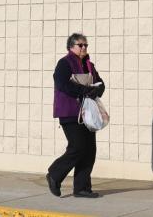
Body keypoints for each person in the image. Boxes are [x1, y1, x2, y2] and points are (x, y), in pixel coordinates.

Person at [46, 33, 105, 199]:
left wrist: (97, 89)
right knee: (78, 147)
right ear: (71, 47)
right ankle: (54, 174)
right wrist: (85, 90)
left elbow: (100, 83)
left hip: (87, 113)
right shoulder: (64, 63)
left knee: (89, 150)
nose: (84, 48)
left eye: (86, 45)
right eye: (81, 45)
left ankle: (82, 188)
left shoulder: (89, 65)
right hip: (70, 113)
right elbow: (62, 84)